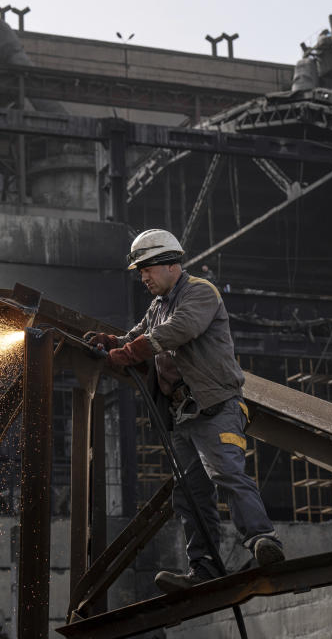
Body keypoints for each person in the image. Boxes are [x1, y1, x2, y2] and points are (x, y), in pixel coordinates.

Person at [88, 229, 284, 592]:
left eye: (147, 268)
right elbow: (138, 335)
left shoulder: (200, 293)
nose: (142, 276)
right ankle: (205, 567)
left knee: (226, 472)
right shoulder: (158, 306)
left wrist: (130, 352)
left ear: (170, 264)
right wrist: (111, 341)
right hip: (182, 417)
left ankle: (262, 541)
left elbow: (179, 330)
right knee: (190, 495)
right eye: (140, 270)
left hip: (216, 408)